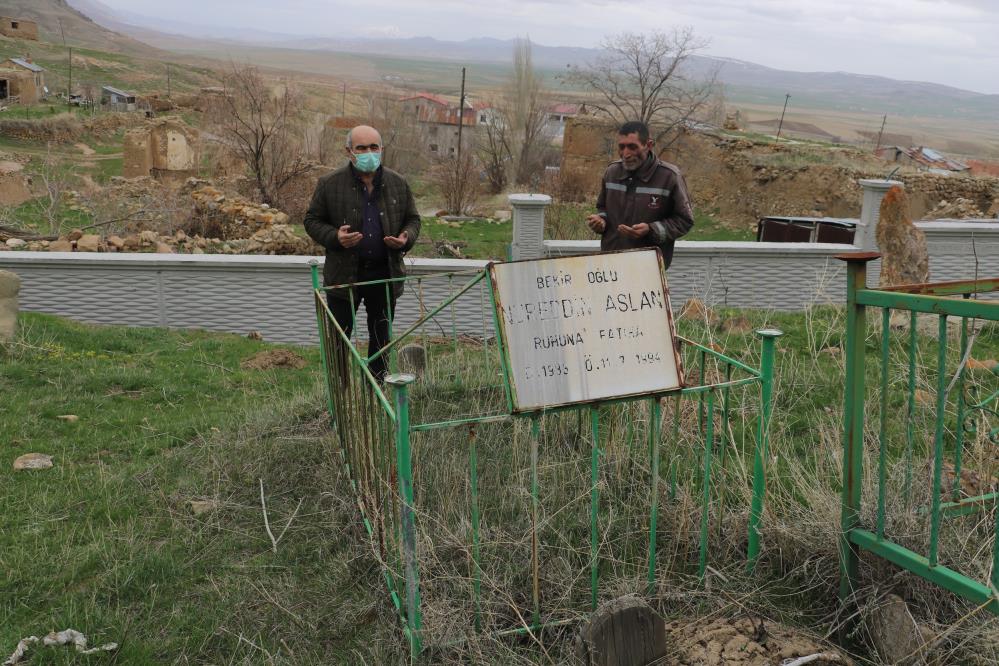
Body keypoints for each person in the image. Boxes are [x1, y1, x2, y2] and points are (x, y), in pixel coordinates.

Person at [304, 124, 421, 381]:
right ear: (349, 152)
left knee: (381, 341)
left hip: (384, 275)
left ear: (382, 150)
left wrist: (405, 238)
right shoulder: (330, 184)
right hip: (343, 278)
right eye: (361, 148)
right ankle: (341, 395)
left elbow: (413, 220)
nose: (369, 152)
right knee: (338, 340)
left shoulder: (398, 184)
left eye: (373, 147)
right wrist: (335, 237)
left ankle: (376, 391)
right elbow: (312, 221)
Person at [586, 121, 694, 267]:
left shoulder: (669, 177)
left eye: (632, 147)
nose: (626, 154)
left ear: (648, 145)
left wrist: (651, 230)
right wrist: (600, 221)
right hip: (611, 264)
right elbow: (603, 208)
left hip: (649, 267)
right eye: (621, 147)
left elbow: (684, 220)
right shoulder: (612, 173)